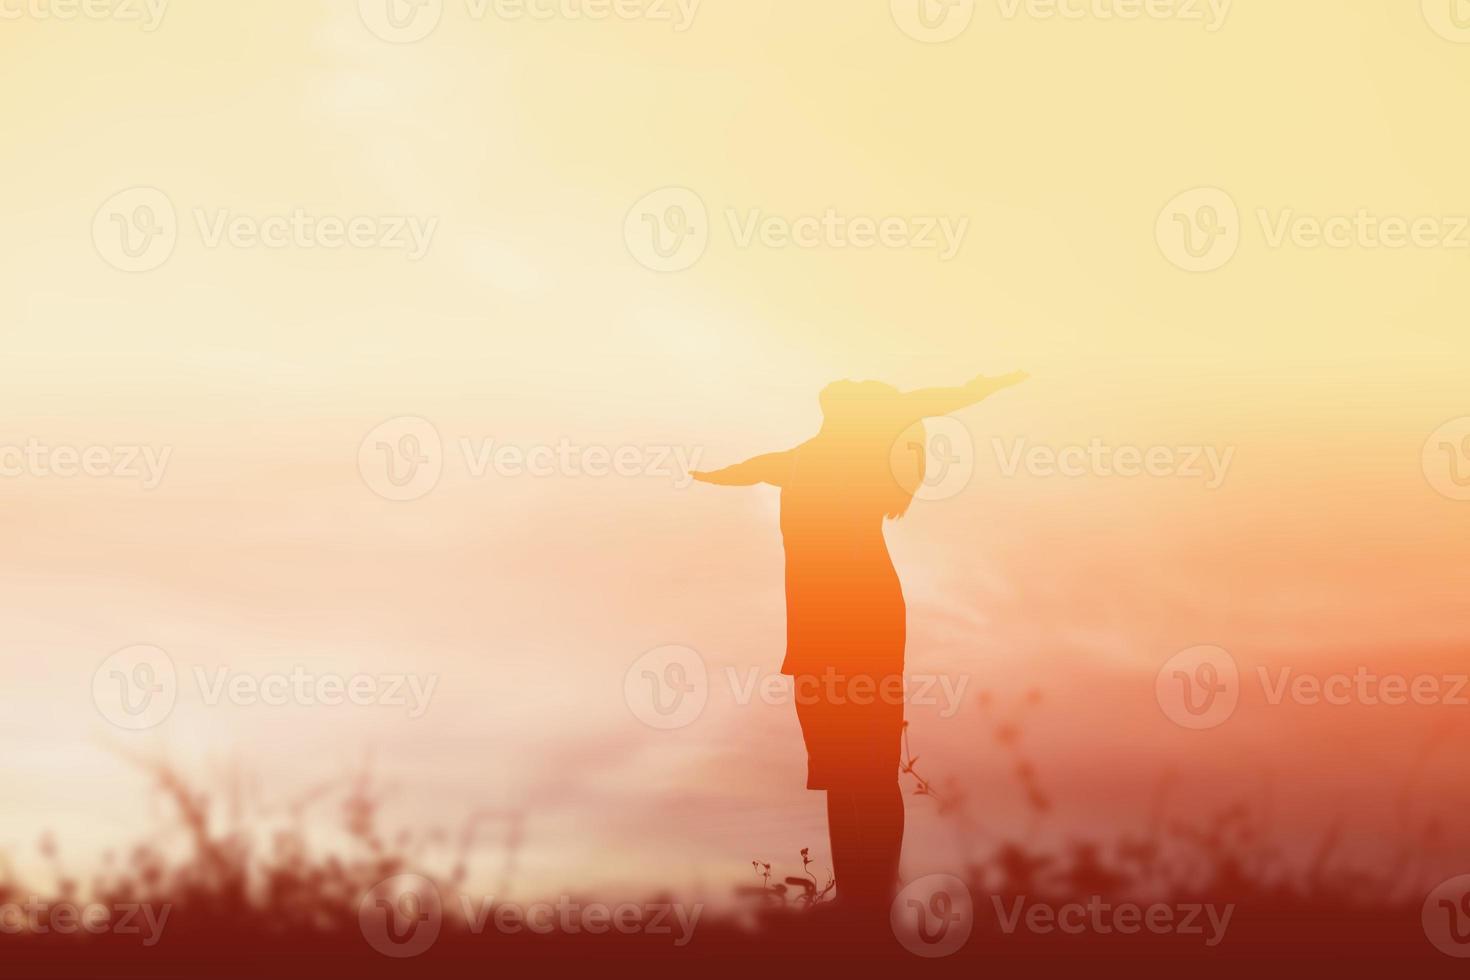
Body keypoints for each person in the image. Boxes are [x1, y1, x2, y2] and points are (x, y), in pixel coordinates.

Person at [693, 371, 1029, 925]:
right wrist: (709, 474)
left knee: (868, 767)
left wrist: (990, 384)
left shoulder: (863, 455)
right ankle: (858, 900)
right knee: (839, 768)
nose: (826, 418)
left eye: (836, 411)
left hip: (863, 622)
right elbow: (754, 469)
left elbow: (938, 397)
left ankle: (874, 898)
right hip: (816, 629)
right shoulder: (803, 460)